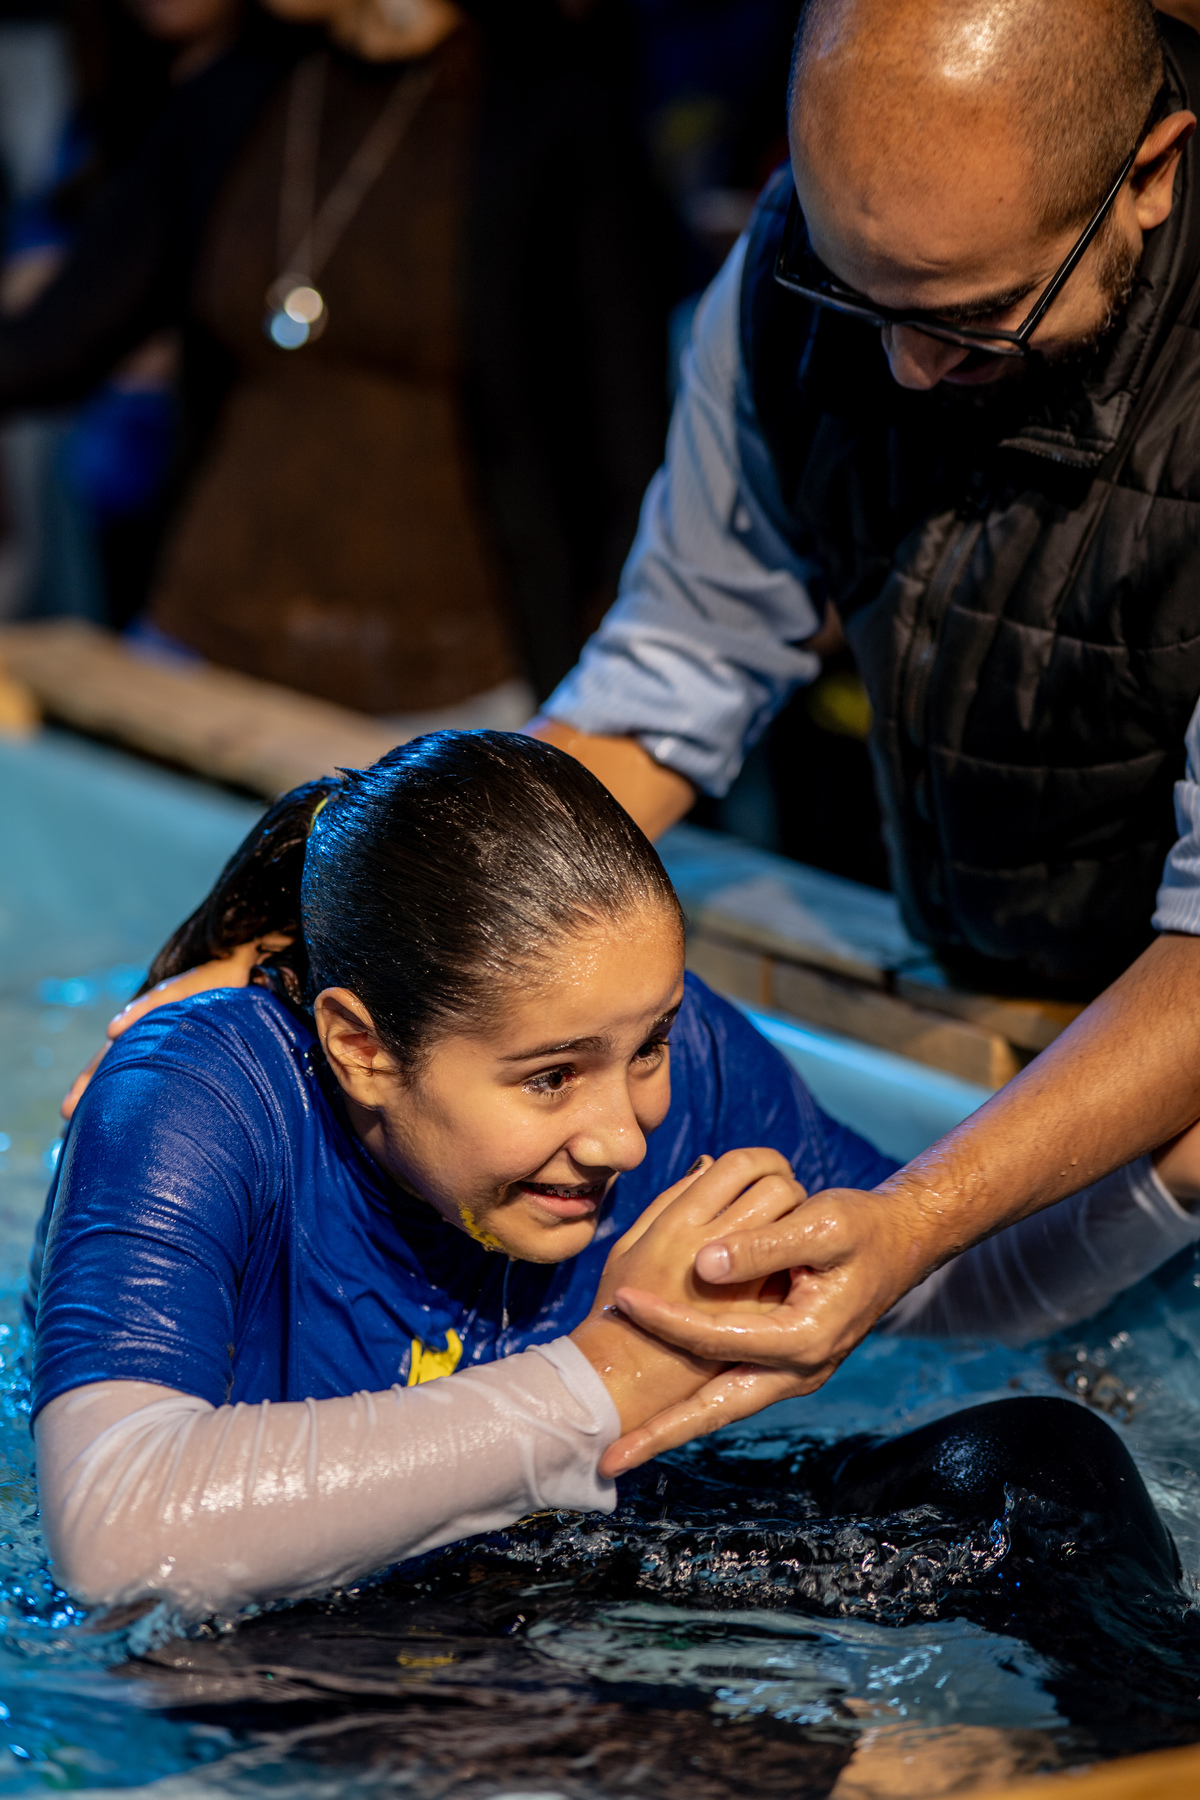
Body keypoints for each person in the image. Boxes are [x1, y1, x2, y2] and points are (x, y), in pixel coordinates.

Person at [29, 732, 1200, 1616]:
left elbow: (913, 1278)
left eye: (646, 1047)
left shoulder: (687, 1068)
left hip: (571, 1558)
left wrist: (1164, 1189)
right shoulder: (202, 1090)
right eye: (550, 1078)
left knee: (1039, 1475)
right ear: (362, 1048)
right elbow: (118, 1536)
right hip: (309, 1631)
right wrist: (613, 1379)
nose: (626, 1138)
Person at [0, 0, 669, 709]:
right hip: (201, 643)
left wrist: (608, 690)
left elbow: (627, 446)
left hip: (443, 688)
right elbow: (59, 341)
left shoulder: (553, 116)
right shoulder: (241, 90)